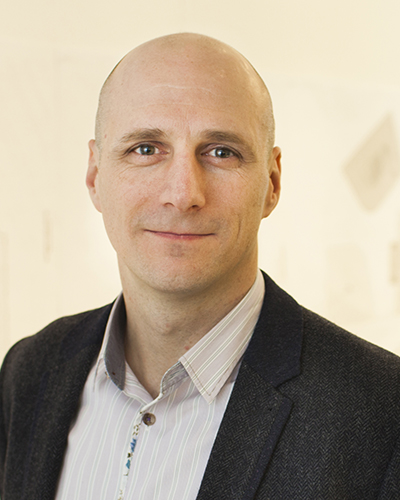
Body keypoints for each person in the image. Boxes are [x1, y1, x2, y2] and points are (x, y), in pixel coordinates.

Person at [0, 33, 399, 500]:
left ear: (271, 183)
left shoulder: (382, 412)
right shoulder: (30, 371)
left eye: (221, 152)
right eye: (145, 149)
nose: (183, 193)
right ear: (94, 175)